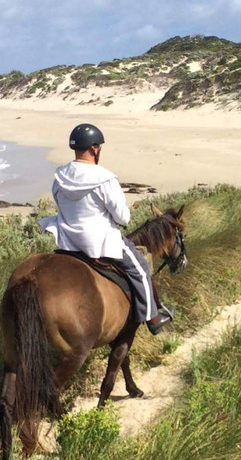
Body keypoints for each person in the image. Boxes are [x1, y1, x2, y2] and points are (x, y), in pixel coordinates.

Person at [39, 123, 174, 334]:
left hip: (67, 241)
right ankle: (153, 317)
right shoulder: (104, 178)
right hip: (99, 242)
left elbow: (60, 203)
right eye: (99, 147)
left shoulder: (60, 177)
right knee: (140, 268)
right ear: (94, 148)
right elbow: (123, 218)